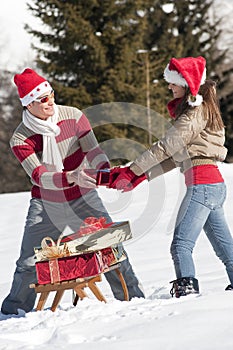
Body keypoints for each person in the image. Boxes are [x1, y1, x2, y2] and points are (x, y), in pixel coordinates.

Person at [1, 68, 144, 315]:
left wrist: (105, 170)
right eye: (42, 99)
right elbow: (39, 176)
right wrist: (71, 176)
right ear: (28, 104)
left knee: (110, 247)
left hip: (83, 197)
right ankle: (12, 312)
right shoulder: (20, 138)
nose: (50, 101)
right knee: (28, 261)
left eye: (51, 94)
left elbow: (94, 150)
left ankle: (133, 299)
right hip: (46, 204)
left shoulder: (74, 116)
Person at [109, 56, 233, 297]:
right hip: (212, 185)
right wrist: (139, 176)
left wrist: (132, 170)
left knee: (181, 245)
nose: (169, 86)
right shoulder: (201, 109)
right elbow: (175, 157)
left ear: (186, 82)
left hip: (203, 185)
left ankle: (186, 293)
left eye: (172, 82)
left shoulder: (195, 111)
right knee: (224, 246)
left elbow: (166, 146)